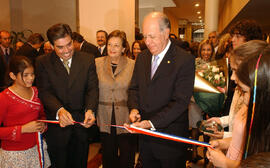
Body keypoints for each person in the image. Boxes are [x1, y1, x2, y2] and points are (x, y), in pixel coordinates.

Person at [128, 12, 195, 168]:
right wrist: (134, 108)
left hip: (169, 141)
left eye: (152, 37)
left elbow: (180, 102)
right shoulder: (143, 57)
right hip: (146, 140)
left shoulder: (184, 60)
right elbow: (134, 88)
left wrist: (150, 123)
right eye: (145, 37)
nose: (147, 42)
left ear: (166, 33)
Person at [35, 23, 99, 168]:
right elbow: (45, 91)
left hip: (81, 125)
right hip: (57, 128)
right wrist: (59, 110)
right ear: (51, 45)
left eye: (69, 44)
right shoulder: (42, 62)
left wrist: (90, 109)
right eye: (60, 47)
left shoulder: (87, 59)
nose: (66, 51)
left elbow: (92, 88)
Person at [207, 40, 270, 168]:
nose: (232, 78)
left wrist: (226, 163)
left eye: (236, 70)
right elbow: (244, 139)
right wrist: (223, 143)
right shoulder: (250, 103)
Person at [0, 55, 50, 168]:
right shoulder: (3, 98)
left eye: (32, 74)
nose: (31, 78)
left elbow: (42, 115)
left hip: (36, 148)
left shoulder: (36, 91)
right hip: (14, 154)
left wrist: (43, 124)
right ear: (12, 75)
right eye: (25, 75)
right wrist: (23, 129)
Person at [95, 30, 136, 168]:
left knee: (127, 153)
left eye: (116, 45)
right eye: (109, 44)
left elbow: (136, 90)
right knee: (108, 153)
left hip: (125, 116)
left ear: (124, 48)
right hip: (104, 115)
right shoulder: (97, 63)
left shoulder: (132, 65)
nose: (112, 48)